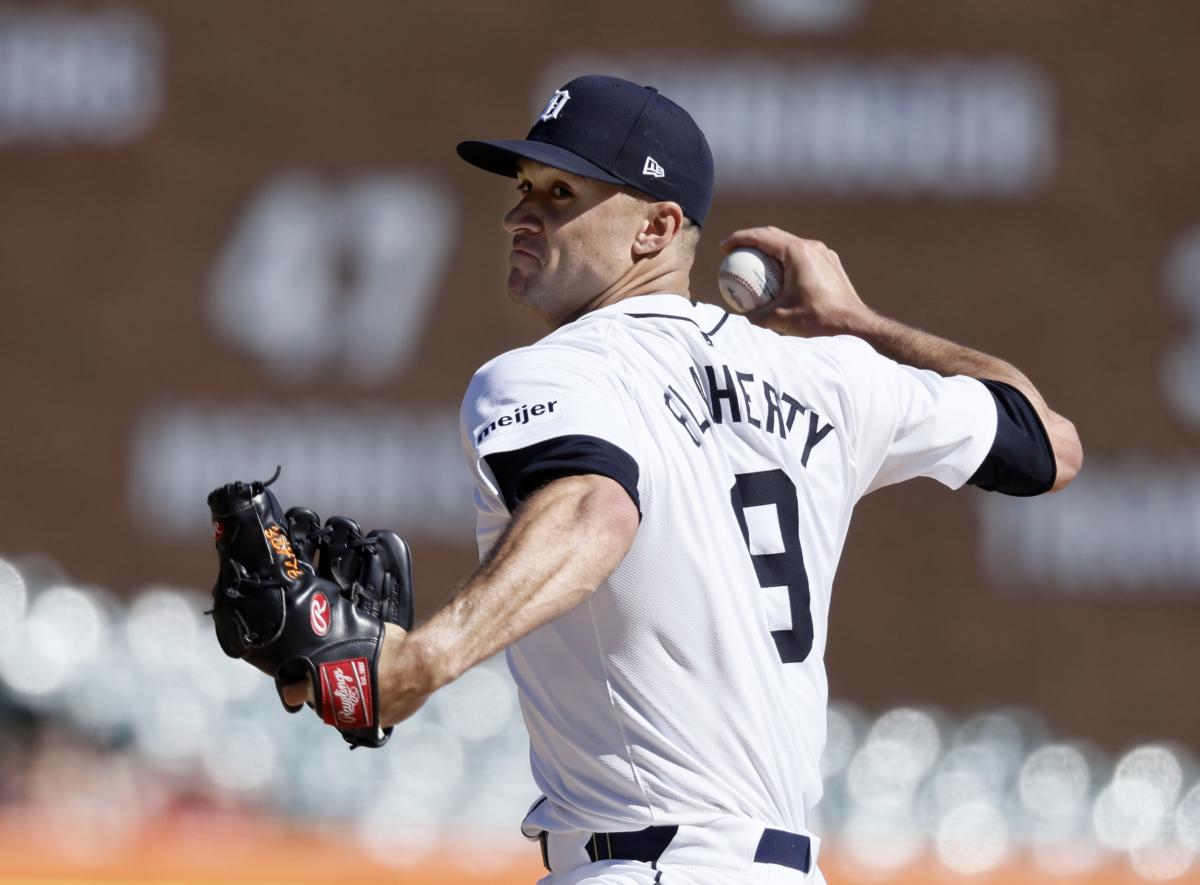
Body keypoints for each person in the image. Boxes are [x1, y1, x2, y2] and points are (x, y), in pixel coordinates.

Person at [287, 74, 1082, 884]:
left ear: (658, 227)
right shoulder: (832, 376)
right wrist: (857, 323)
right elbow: (1047, 445)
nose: (519, 215)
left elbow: (596, 509)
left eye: (560, 193)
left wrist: (421, 661)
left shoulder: (549, 373)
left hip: (642, 865)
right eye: (524, 188)